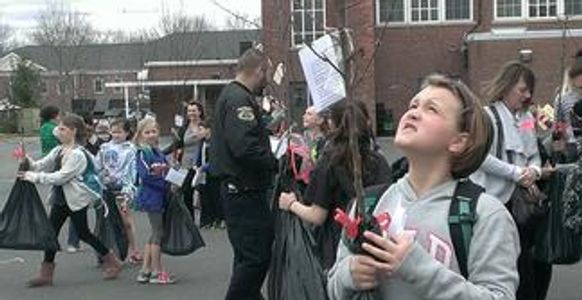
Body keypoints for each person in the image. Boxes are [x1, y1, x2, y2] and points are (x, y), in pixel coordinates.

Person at [327, 74, 520, 299]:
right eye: (413, 105)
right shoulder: (369, 204)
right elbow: (333, 286)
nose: (413, 112)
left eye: (432, 109)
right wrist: (348, 275)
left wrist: (420, 270)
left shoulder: (486, 215)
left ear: (458, 141)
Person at [278, 100, 392, 270]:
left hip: (338, 246)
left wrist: (291, 204)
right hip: (376, 244)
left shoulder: (330, 162)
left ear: (333, 124)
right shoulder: (379, 160)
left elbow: (317, 216)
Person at [19, 114, 123, 287]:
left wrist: (32, 176)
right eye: (59, 128)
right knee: (51, 234)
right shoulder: (59, 150)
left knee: (83, 233)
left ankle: (112, 261)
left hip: (75, 200)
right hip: (61, 199)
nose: (58, 131)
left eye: (62, 129)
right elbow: (39, 165)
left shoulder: (78, 154)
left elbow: (61, 176)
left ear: (73, 131)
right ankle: (46, 274)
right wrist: (26, 159)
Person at [470, 61, 543, 299]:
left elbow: (534, 154)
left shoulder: (526, 118)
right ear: (506, 86)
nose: (527, 95)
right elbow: (480, 158)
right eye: (522, 89)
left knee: (528, 264)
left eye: (529, 90)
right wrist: (517, 173)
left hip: (521, 206)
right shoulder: (487, 116)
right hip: (495, 203)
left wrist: (535, 171)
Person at [209, 47, 277, 300]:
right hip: (244, 191)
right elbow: (245, 148)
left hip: (237, 190)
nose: (267, 80)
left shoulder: (230, 95)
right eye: (266, 73)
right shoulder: (239, 100)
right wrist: (274, 161)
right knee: (255, 259)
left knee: (246, 259)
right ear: (260, 70)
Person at [134, 117, 175, 284]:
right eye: (147, 132)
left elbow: (166, 172)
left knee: (155, 232)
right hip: (151, 196)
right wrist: (165, 183)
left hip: (160, 195)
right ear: (140, 135)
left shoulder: (158, 152)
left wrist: (173, 179)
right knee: (158, 233)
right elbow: (145, 176)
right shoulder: (143, 153)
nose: (151, 135)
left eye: (153, 131)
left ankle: (145, 270)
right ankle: (158, 272)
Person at [96, 118, 142, 264]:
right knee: (107, 220)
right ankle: (108, 252)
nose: (116, 135)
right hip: (106, 188)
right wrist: (101, 178)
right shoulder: (104, 148)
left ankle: (134, 250)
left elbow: (133, 170)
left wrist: (128, 186)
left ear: (127, 133)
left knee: (126, 221)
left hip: (124, 190)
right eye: (113, 131)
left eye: (119, 132)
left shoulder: (131, 149)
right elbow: (98, 166)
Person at [166, 101, 206, 217]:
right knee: (187, 192)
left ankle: (207, 219)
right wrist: (162, 153)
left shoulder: (205, 126)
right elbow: (177, 144)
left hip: (201, 164)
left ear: (200, 112)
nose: (191, 113)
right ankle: (190, 219)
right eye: (189, 111)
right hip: (186, 165)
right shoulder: (184, 128)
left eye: (194, 110)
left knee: (203, 192)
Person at [197, 121, 224, 229]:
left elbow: (216, 158)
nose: (199, 132)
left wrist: (204, 167)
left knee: (217, 196)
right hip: (203, 174)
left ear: (208, 130)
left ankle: (220, 218)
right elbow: (199, 155)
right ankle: (210, 219)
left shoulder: (216, 142)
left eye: (201, 129)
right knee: (206, 197)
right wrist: (197, 165)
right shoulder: (202, 142)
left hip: (215, 173)